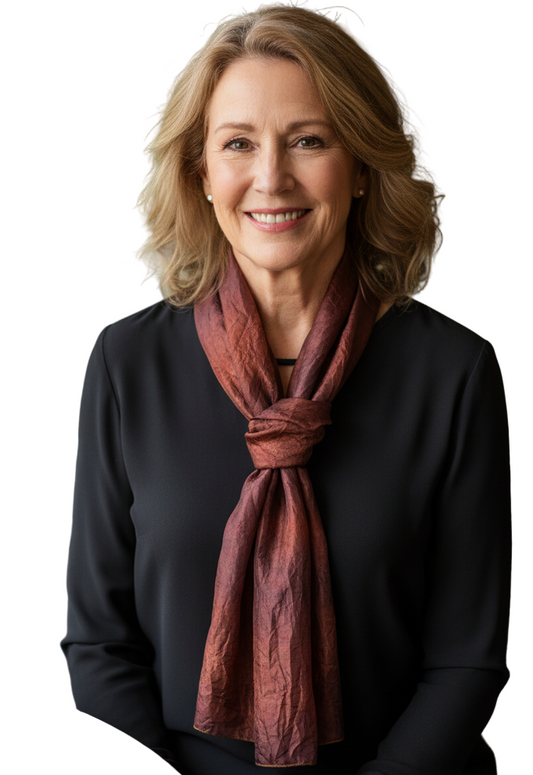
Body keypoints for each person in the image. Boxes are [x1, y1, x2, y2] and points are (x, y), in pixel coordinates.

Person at [61, 5, 511, 774]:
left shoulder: (452, 372)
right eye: (237, 143)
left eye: (309, 140)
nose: (270, 177)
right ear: (200, 173)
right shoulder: (126, 363)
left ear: (362, 167)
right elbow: (100, 644)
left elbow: (465, 662)